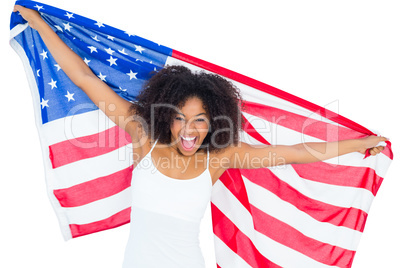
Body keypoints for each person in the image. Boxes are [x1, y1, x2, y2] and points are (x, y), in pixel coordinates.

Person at [13, 5, 388, 268]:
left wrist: (358, 144)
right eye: (180, 118)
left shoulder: (219, 158)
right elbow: (83, 78)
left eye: (200, 120)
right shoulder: (143, 136)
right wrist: (40, 23)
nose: (189, 130)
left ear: (215, 121)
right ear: (166, 116)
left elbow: (293, 152)